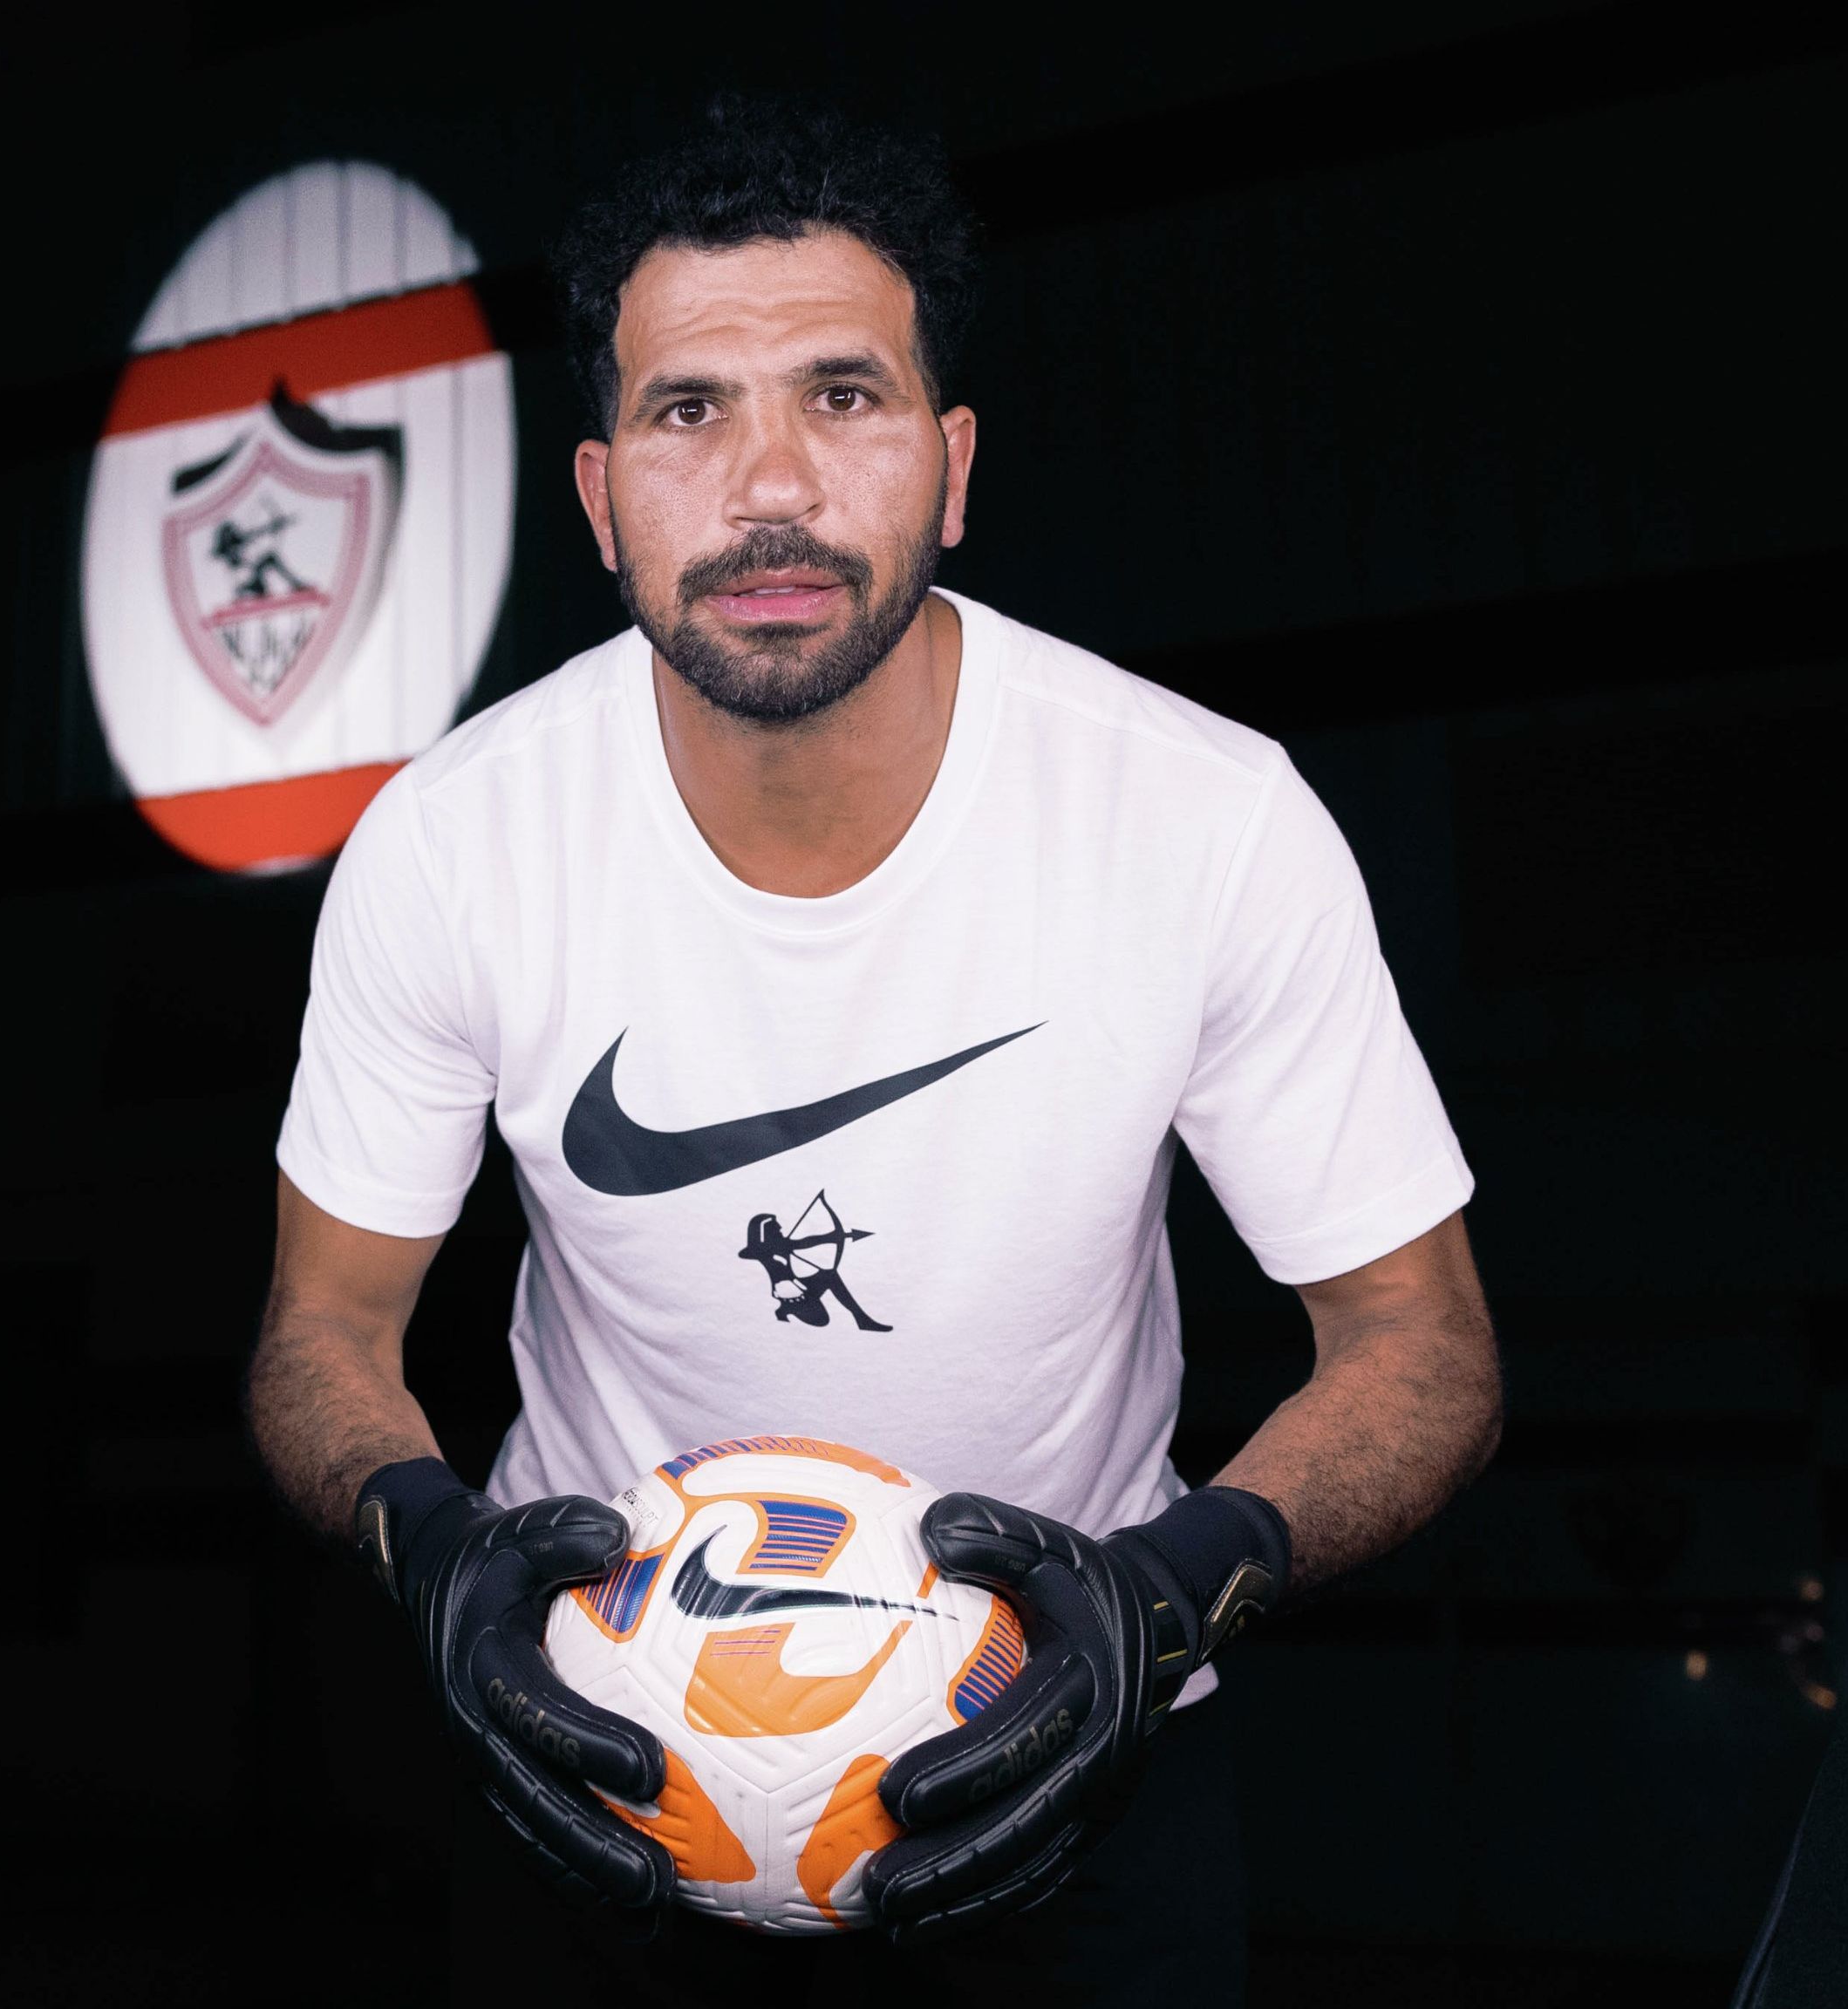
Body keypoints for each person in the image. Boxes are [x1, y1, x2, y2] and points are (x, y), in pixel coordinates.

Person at [246, 100, 1501, 2005]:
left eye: (843, 397)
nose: (770, 486)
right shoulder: (453, 841)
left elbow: (1423, 1340)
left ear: (954, 465)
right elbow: (321, 1330)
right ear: (598, 498)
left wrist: (1166, 1600)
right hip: (601, 1760)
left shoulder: (1202, 817)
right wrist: (433, 1552)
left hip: (1076, 1762)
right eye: (688, 411)